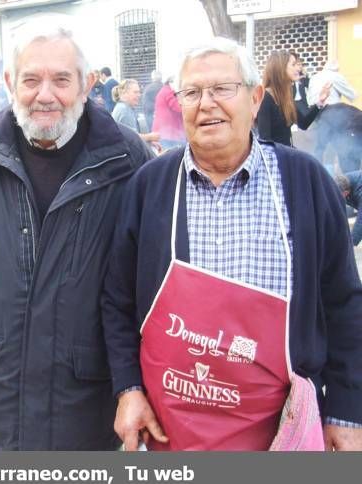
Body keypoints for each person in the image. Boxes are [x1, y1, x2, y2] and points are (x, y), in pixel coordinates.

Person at [102, 37, 362, 451]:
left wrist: (347, 411)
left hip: (280, 429)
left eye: (223, 89)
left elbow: (344, 303)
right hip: (174, 428)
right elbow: (116, 301)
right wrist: (128, 388)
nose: (207, 104)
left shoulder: (305, 183)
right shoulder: (150, 187)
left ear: (255, 98)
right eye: (192, 92)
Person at [0, 22, 153, 450]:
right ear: (10, 83)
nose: (45, 95)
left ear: (87, 85)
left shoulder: (128, 157)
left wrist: (133, 386)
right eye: (31, 79)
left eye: (61, 80)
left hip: (88, 405)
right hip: (0, 399)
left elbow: (145, 287)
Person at [257, 50, 330, 146]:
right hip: (276, 157)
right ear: (281, 68)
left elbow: (303, 123)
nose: (298, 69)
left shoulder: (286, 97)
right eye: (293, 65)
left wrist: (320, 102)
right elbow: (265, 140)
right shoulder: (266, 98)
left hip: (287, 153)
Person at [111, 79, 160, 148]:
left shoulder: (124, 107)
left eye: (139, 92)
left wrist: (149, 142)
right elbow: (132, 138)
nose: (139, 95)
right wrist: (150, 137)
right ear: (124, 93)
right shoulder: (124, 110)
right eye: (135, 92)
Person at [152, 75, 185, 149]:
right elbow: (179, 108)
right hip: (169, 133)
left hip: (167, 132)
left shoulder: (165, 91)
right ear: (171, 82)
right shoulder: (169, 92)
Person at [335, 172, 362, 246]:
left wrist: (351, 243)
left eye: (338, 195)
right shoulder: (340, 183)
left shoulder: (359, 190)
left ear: (346, 193)